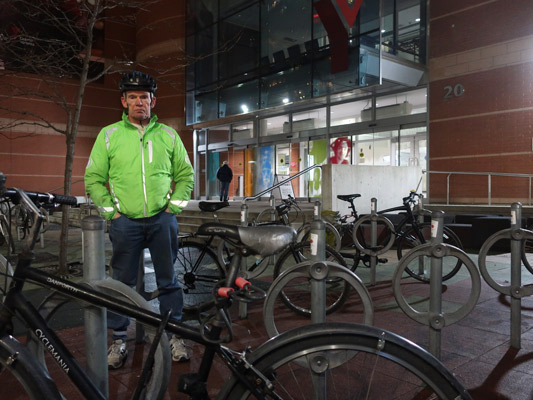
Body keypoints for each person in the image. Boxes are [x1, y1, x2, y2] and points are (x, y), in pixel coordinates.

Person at [84, 71, 194, 369]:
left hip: (162, 220)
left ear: (152, 101)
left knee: (169, 280)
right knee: (121, 283)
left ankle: (174, 335)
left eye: (144, 97)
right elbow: (93, 178)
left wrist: (172, 208)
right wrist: (112, 213)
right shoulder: (109, 135)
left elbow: (186, 175)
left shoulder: (168, 135)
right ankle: (119, 339)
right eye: (132, 97)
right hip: (126, 223)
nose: (138, 102)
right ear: (124, 101)